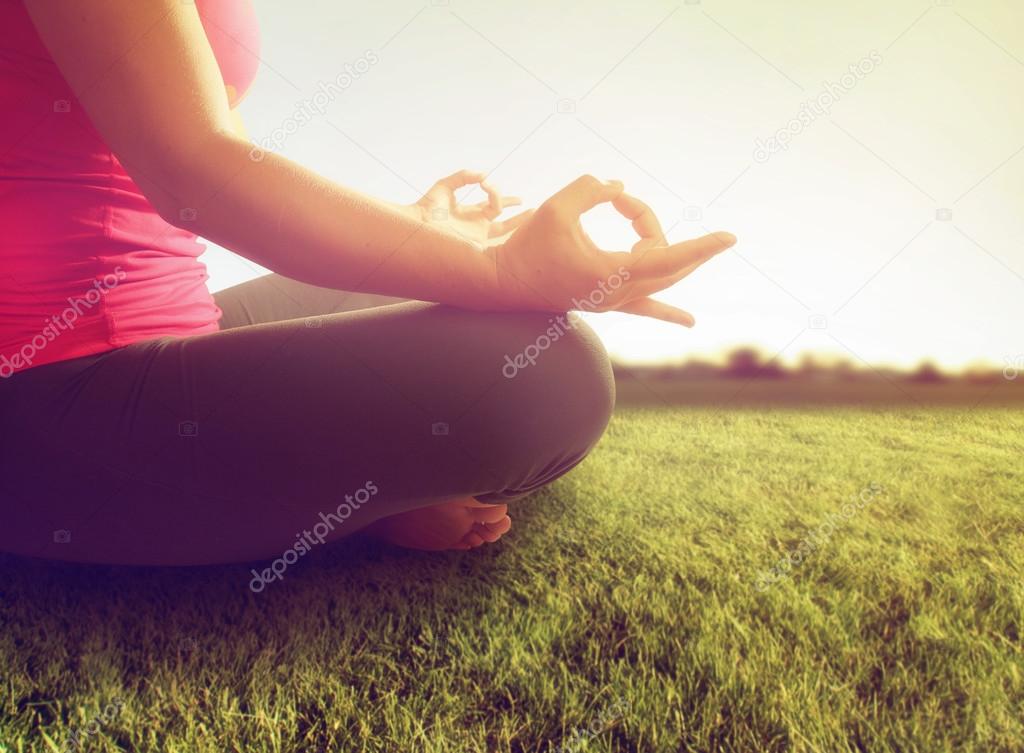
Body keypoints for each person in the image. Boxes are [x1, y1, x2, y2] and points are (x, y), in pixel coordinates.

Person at [0, 0, 736, 565]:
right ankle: (355, 506)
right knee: (553, 376)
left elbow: (243, 167)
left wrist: (430, 229)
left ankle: (343, 487)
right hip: (41, 392)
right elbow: (194, 169)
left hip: (178, 328)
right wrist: (497, 271)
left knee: (486, 319)